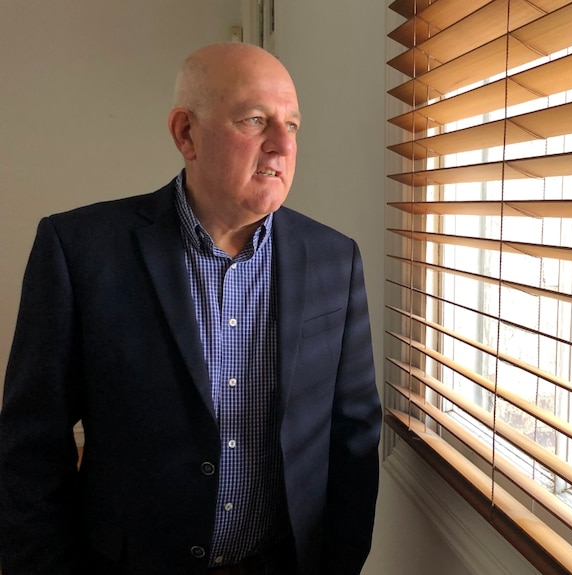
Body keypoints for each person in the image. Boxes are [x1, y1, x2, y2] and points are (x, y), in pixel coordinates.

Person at [0, 43, 381, 575]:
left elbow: (354, 432)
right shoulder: (79, 249)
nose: (280, 145)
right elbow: (31, 441)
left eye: (291, 125)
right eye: (254, 119)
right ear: (186, 133)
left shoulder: (334, 260)